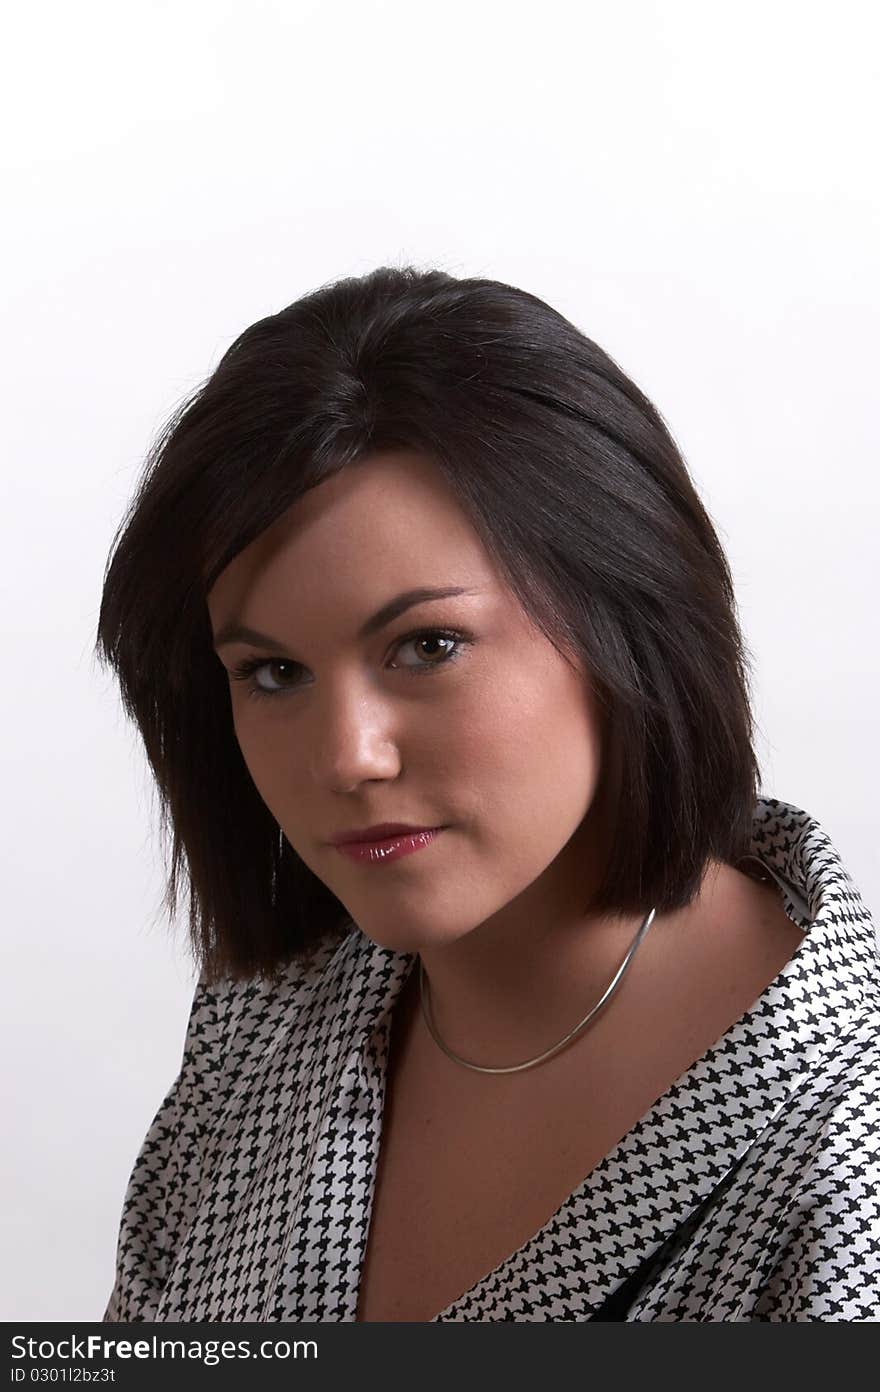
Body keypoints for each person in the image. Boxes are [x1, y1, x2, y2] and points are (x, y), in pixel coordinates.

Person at [97, 265, 879, 1322]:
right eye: (272, 673)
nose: (348, 757)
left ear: (628, 622)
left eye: (426, 646)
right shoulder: (274, 1017)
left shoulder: (844, 1158)